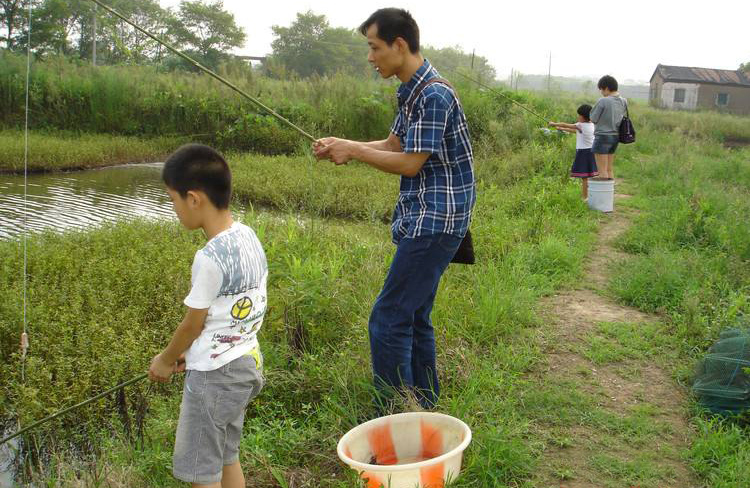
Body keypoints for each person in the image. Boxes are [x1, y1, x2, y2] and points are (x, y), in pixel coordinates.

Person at [313, 8, 475, 410]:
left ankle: (393, 416)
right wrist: (344, 144)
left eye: (374, 47)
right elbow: (393, 146)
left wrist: (352, 151)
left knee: (388, 320)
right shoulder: (414, 91)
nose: (370, 57)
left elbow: (410, 163)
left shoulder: (434, 94)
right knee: (415, 316)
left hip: (436, 222)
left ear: (399, 45)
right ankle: (423, 407)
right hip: (429, 218)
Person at [148, 144, 267, 488]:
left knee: (202, 471)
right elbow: (229, 316)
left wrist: (166, 359)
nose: (173, 209)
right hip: (246, 365)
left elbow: (192, 323)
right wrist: (193, 351)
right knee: (226, 455)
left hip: (214, 378)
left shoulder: (210, 257)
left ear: (194, 199)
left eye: (173, 200)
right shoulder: (247, 236)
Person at [549, 104, 598, 199]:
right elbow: (576, 131)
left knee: (585, 177)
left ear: (583, 117)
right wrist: (562, 129)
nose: (578, 117)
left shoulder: (580, 125)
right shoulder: (591, 124)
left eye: (579, 115)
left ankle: (585, 198)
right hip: (591, 151)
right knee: (591, 175)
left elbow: (566, 124)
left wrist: (554, 124)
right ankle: (592, 195)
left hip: (583, 153)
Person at [590, 75, 626, 180]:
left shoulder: (603, 101)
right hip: (615, 137)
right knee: (609, 169)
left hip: (602, 136)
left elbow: (593, 118)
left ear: (606, 88)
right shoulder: (624, 101)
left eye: (601, 89)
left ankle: (602, 196)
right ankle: (610, 196)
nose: (601, 92)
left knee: (602, 172)